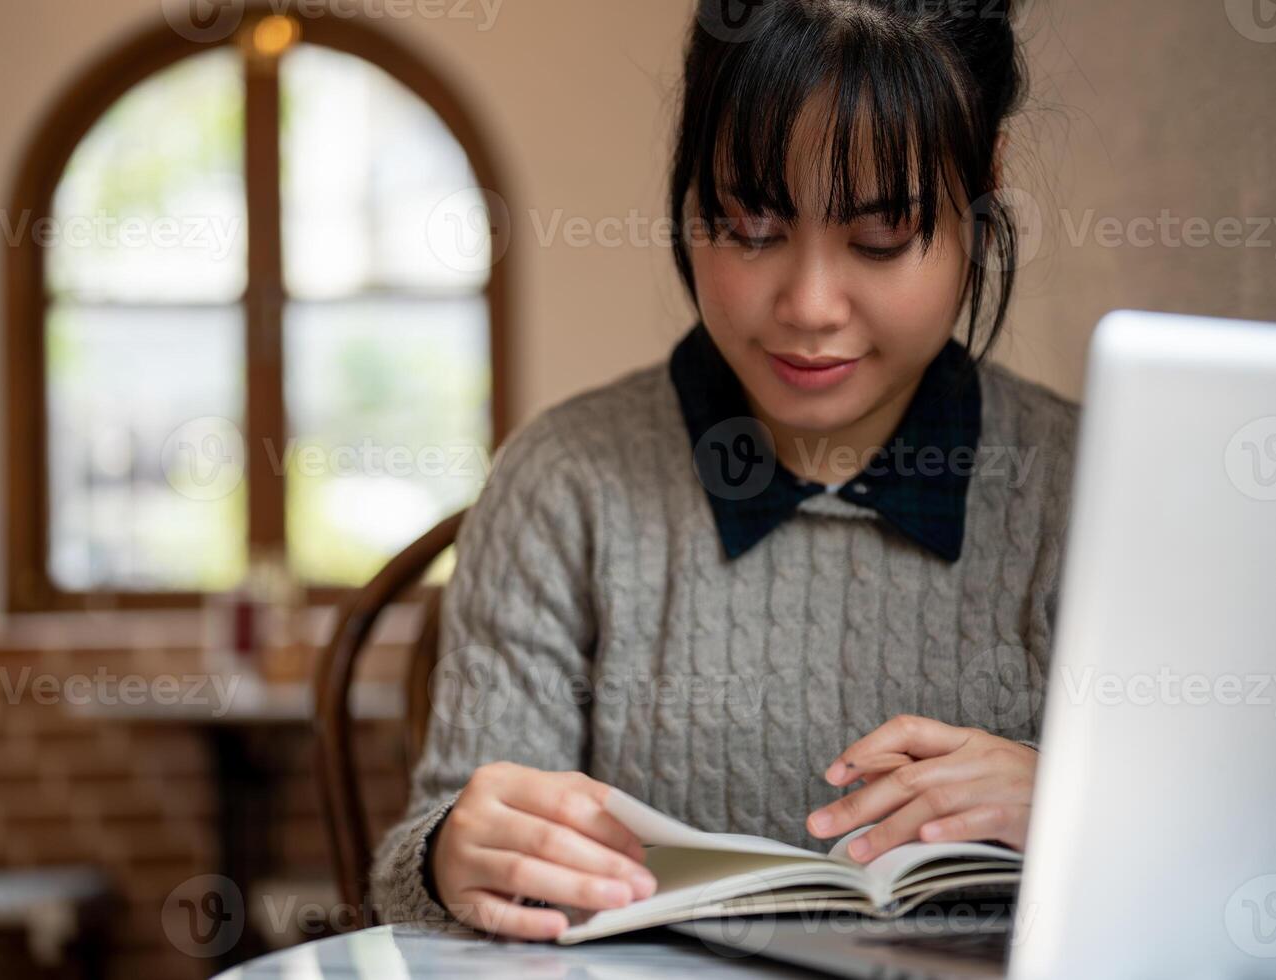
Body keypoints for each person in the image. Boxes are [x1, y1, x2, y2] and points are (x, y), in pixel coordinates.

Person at [373, 0, 1078, 940]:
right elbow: (429, 867)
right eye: (749, 223)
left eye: (880, 235)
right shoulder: (566, 483)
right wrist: (453, 853)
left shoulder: (1087, 488)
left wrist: (1087, 814)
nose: (810, 305)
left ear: (981, 192)